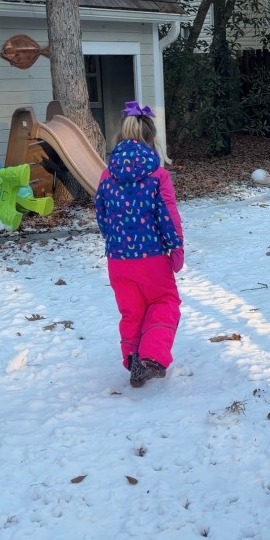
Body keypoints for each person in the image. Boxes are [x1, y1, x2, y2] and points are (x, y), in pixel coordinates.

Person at [94, 101, 184, 388]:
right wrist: (176, 247)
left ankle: (133, 358)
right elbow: (167, 214)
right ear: (151, 139)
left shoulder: (107, 175)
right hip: (152, 257)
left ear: (122, 137)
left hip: (118, 260)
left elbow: (102, 214)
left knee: (132, 311)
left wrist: (114, 241)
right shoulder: (158, 176)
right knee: (164, 301)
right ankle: (150, 358)